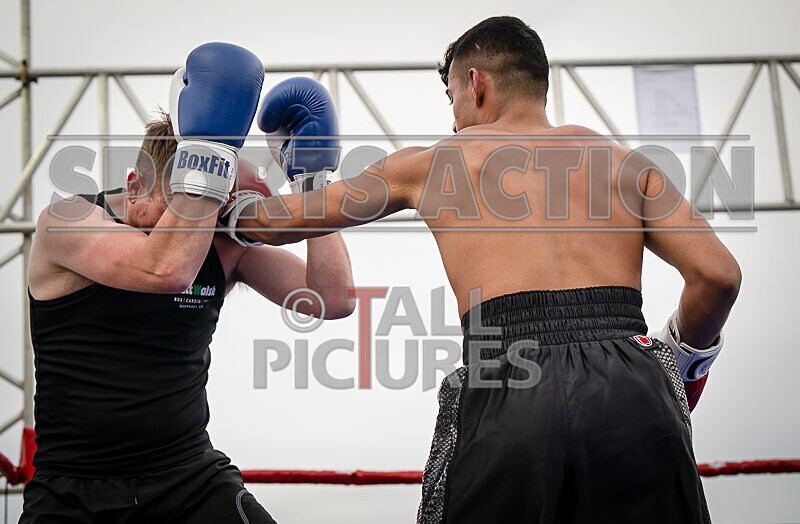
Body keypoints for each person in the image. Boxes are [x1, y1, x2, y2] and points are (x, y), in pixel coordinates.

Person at [223, 17, 740, 524]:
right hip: (636, 392)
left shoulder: (433, 163)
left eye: (452, 98)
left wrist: (222, 175)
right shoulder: (628, 164)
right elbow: (719, 276)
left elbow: (274, 224)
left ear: (476, 84)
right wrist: (674, 364)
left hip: (511, 385)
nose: (453, 122)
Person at [22, 43, 355, 523]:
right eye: (182, 204)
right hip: (75, 492)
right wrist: (209, 160)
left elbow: (332, 298)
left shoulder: (217, 240)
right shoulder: (66, 220)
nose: (196, 224)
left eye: (208, 208)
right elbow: (164, 268)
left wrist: (314, 186)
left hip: (189, 477)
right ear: (134, 185)